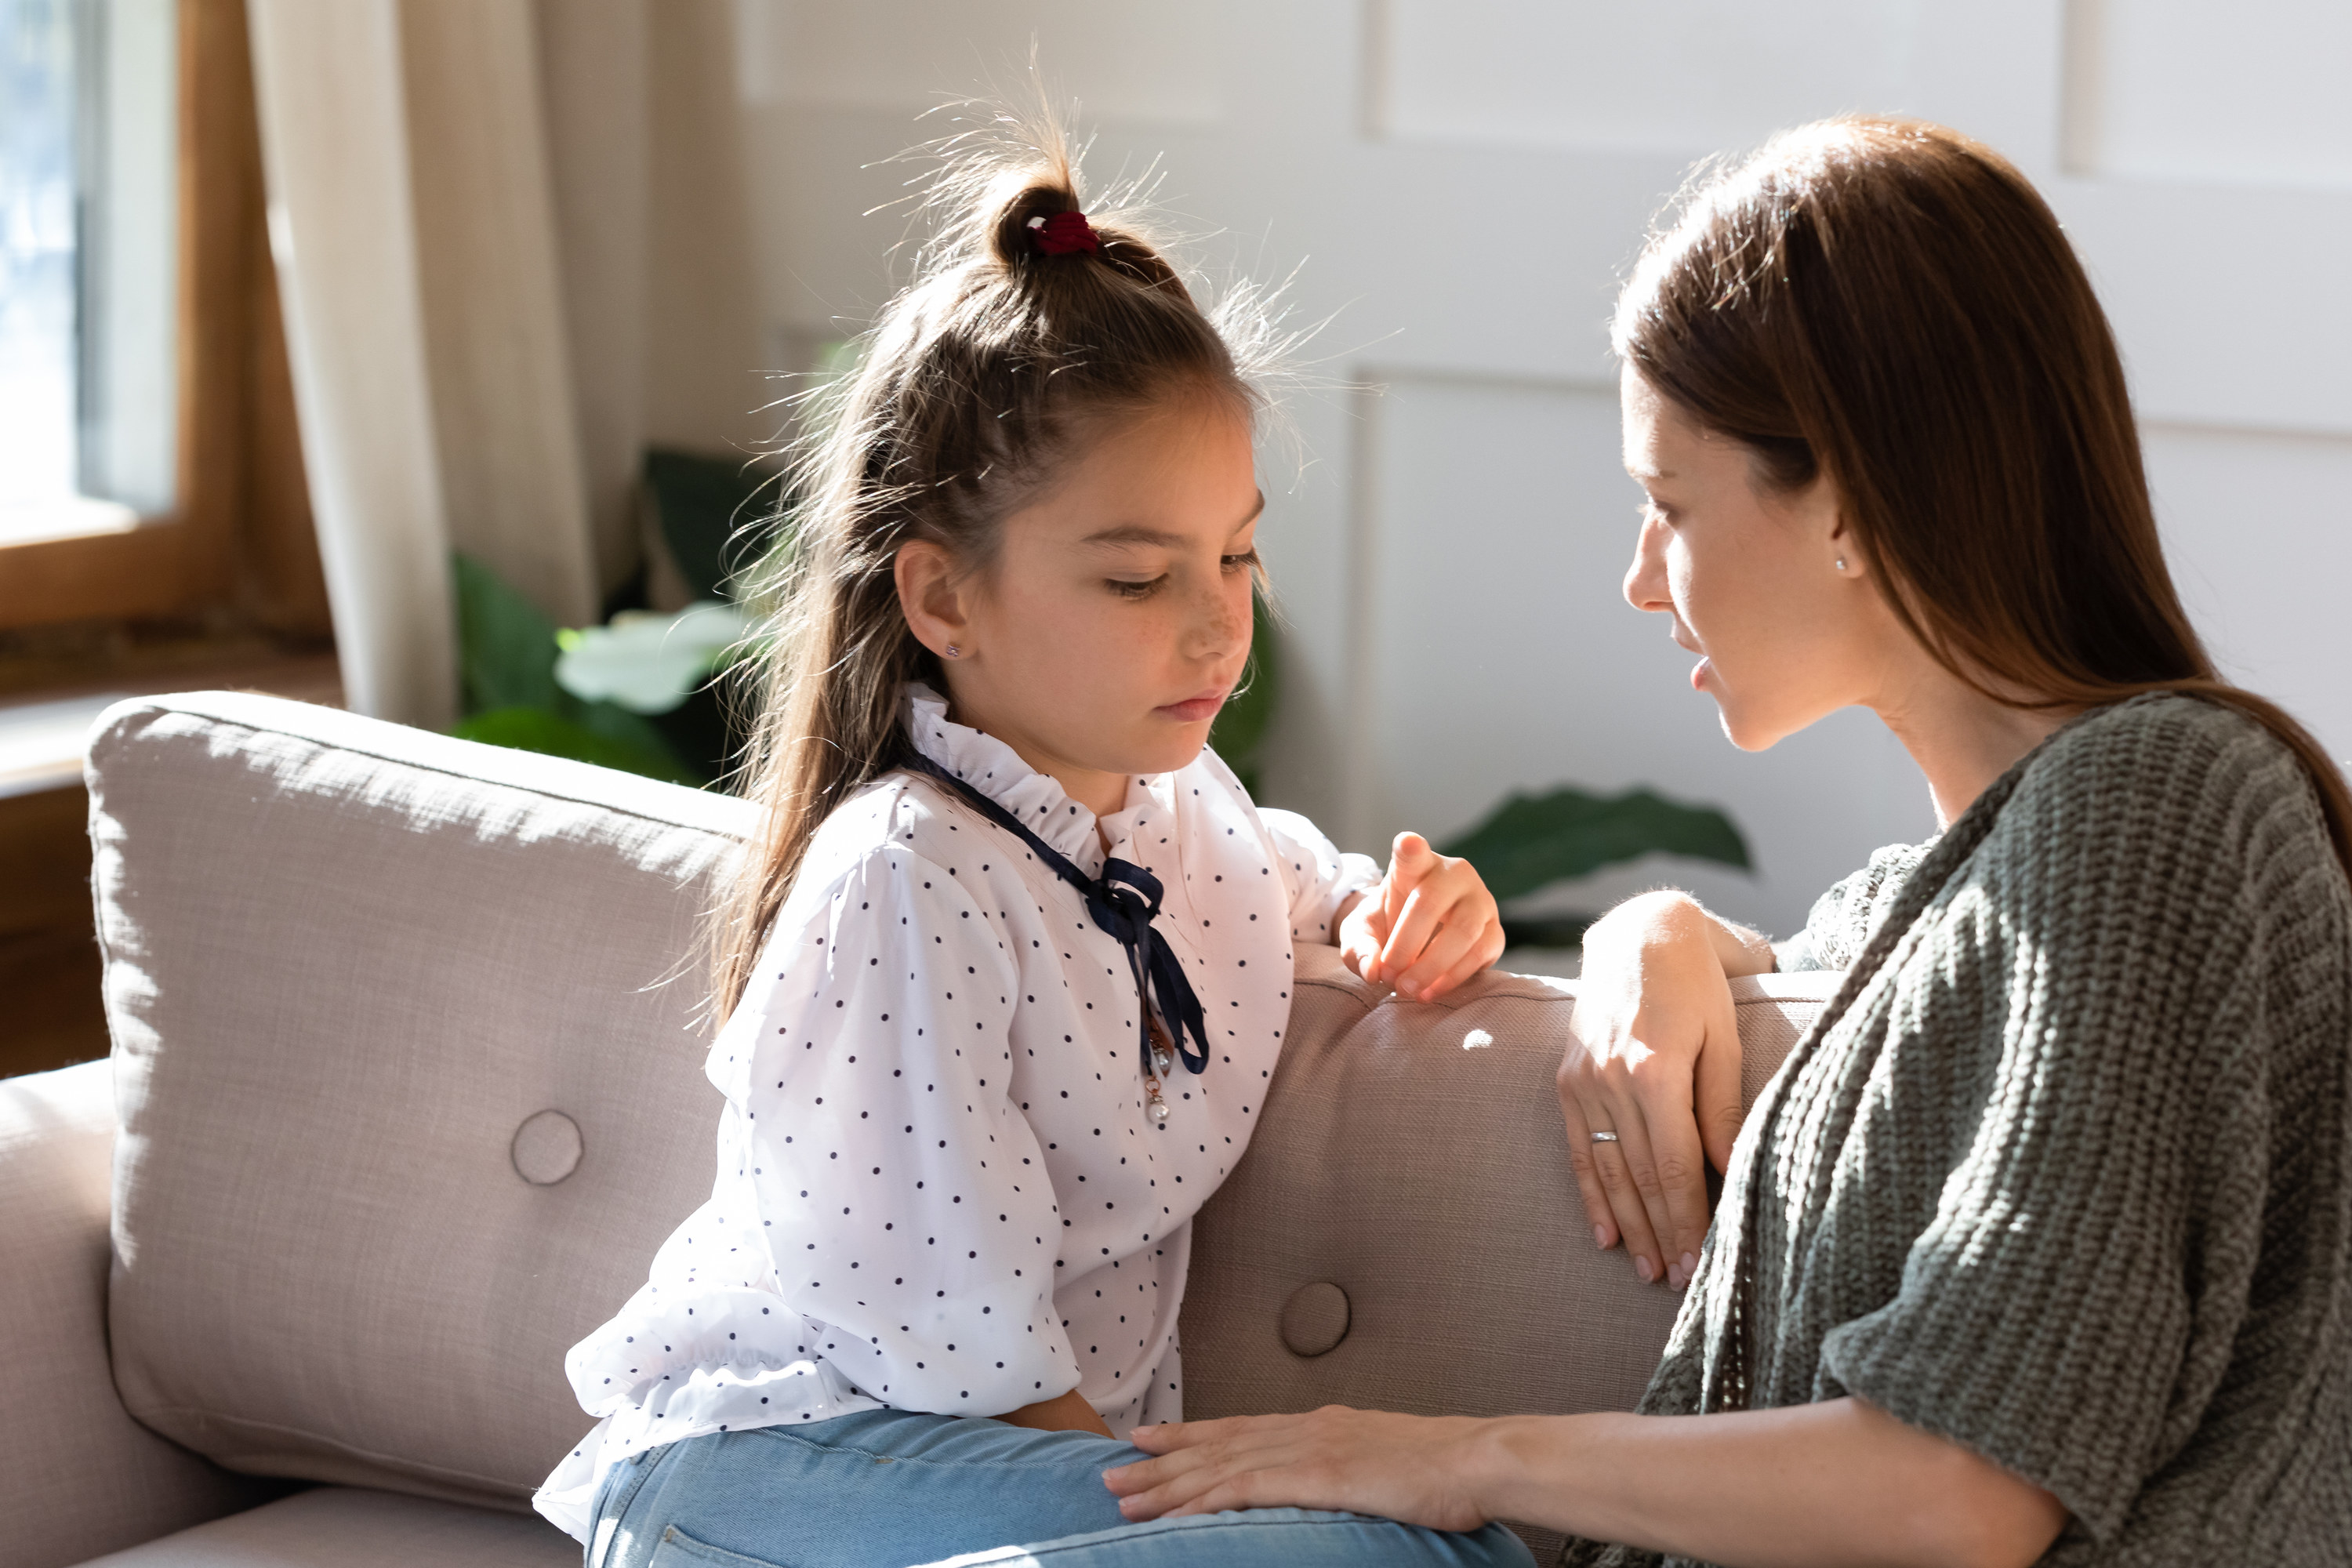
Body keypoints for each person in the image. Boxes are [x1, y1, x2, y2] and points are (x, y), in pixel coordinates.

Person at [1102, 117, 2352, 1567]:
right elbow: (1865, 979)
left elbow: (1961, 1491)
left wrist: (1446, 1459)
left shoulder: (2162, 803)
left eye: (1667, 503)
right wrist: (1660, 932)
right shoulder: (1970, 886)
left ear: (1846, 499)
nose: (1641, 581)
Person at [532, 106, 1529, 1568]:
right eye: (1137, 579)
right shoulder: (904, 877)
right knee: (1403, 1557)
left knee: (1439, 1548)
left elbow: (1319, 899)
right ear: (942, 602)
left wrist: (1419, 915)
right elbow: (959, 1346)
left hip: (998, 1482)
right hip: (765, 1475)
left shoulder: (1194, 825)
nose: (1217, 621)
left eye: (1238, 553)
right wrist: (1176, 1524)